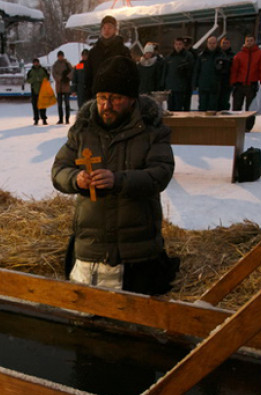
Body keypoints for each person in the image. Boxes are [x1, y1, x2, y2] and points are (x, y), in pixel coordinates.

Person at [51, 56, 178, 295]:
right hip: (90, 244)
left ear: (131, 100)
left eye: (116, 98)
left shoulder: (152, 130)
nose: (106, 106)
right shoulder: (83, 130)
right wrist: (75, 179)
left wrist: (119, 180)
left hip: (136, 250)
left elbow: (160, 173)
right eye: (101, 98)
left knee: (134, 312)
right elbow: (59, 170)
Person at [84, 15, 132, 102]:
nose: (106, 31)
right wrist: (87, 98)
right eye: (104, 28)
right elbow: (88, 76)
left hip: (117, 96)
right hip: (98, 97)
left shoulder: (123, 50)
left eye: (109, 28)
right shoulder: (94, 52)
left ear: (115, 30)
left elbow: (130, 74)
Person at [230, 33, 261, 131]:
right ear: (245, 42)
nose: (249, 42)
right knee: (236, 107)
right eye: (247, 41)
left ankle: (248, 127)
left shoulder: (259, 54)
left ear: (254, 41)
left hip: (252, 84)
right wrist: (233, 82)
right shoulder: (239, 55)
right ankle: (236, 125)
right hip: (239, 84)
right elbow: (234, 70)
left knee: (250, 108)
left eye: (251, 40)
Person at [162, 37, 194, 111]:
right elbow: (165, 71)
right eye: (176, 44)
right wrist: (163, 84)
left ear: (183, 45)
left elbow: (191, 71)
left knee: (179, 108)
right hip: (170, 87)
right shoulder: (169, 57)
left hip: (181, 88)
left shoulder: (188, 56)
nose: (178, 46)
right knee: (170, 108)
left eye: (180, 44)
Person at [193, 35, 224, 111]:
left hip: (215, 86)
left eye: (213, 43)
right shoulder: (201, 55)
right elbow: (197, 70)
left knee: (213, 107)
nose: (212, 45)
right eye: (210, 43)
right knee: (202, 106)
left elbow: (225, 71)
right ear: (207, 44)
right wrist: (195, 83)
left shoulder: (221, 55)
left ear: (217, 44)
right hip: (203, 86)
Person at [52, 51, 73, 124]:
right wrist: (60, 78)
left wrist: (67, 78)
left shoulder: (67, 64)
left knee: (67, 104)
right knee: (60, 105)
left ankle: (67, 119)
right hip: (59, 87)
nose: (60, 57)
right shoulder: (55, 65)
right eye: (59, 56)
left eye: (61, 56)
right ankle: (60, 119)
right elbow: (54, 74)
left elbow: (72, 71)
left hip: (66, 86)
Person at [26, 58, 49, 125]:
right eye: (35, 62)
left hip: (42, 89)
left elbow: (47, 77)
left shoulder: (43, 70)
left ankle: (44, 119)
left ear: (39, 63)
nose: (36, 64)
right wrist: (34, 80)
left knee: (43, 106)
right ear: (33, 63)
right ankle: (36, 119)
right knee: (35, 106)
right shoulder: (30, 71)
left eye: (37, 62)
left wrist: (41, 79)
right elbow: (27, 80)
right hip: (34, 90)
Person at [216, 36, 235, 110]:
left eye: (227, 43)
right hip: (216, 82)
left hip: (227, 83)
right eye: (223, 43)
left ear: (229, 44)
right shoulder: (217, 54)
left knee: (224, 102)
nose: (225, 44)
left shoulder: (233, 56)